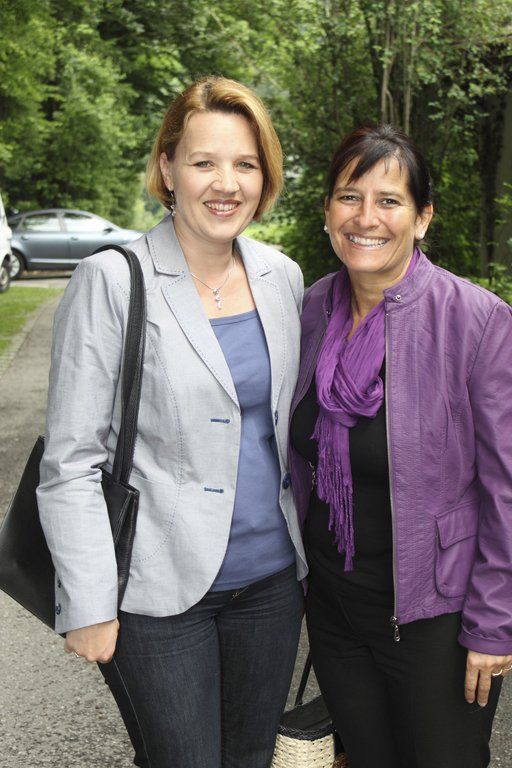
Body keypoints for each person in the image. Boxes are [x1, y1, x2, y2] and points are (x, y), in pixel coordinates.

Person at [37, 76, 308, 768]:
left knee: (251, 758)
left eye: (245, 164)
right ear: (167, 168)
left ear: (265, 176)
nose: (226, 184)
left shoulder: (282, 276)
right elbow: (70, 461)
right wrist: (89, 601)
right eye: (203, 162)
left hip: (272, 584)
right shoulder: (112, 280)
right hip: (158, 592)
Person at [288, 124, 512, 768]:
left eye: (389, 200)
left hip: (435, 617)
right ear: (328, 210)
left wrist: (494, 622)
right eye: (349, 197)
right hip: (335, 608)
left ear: (422, 218)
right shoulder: (311, 309)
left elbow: (505, 488)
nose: (366, 218)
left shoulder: (476, 321)